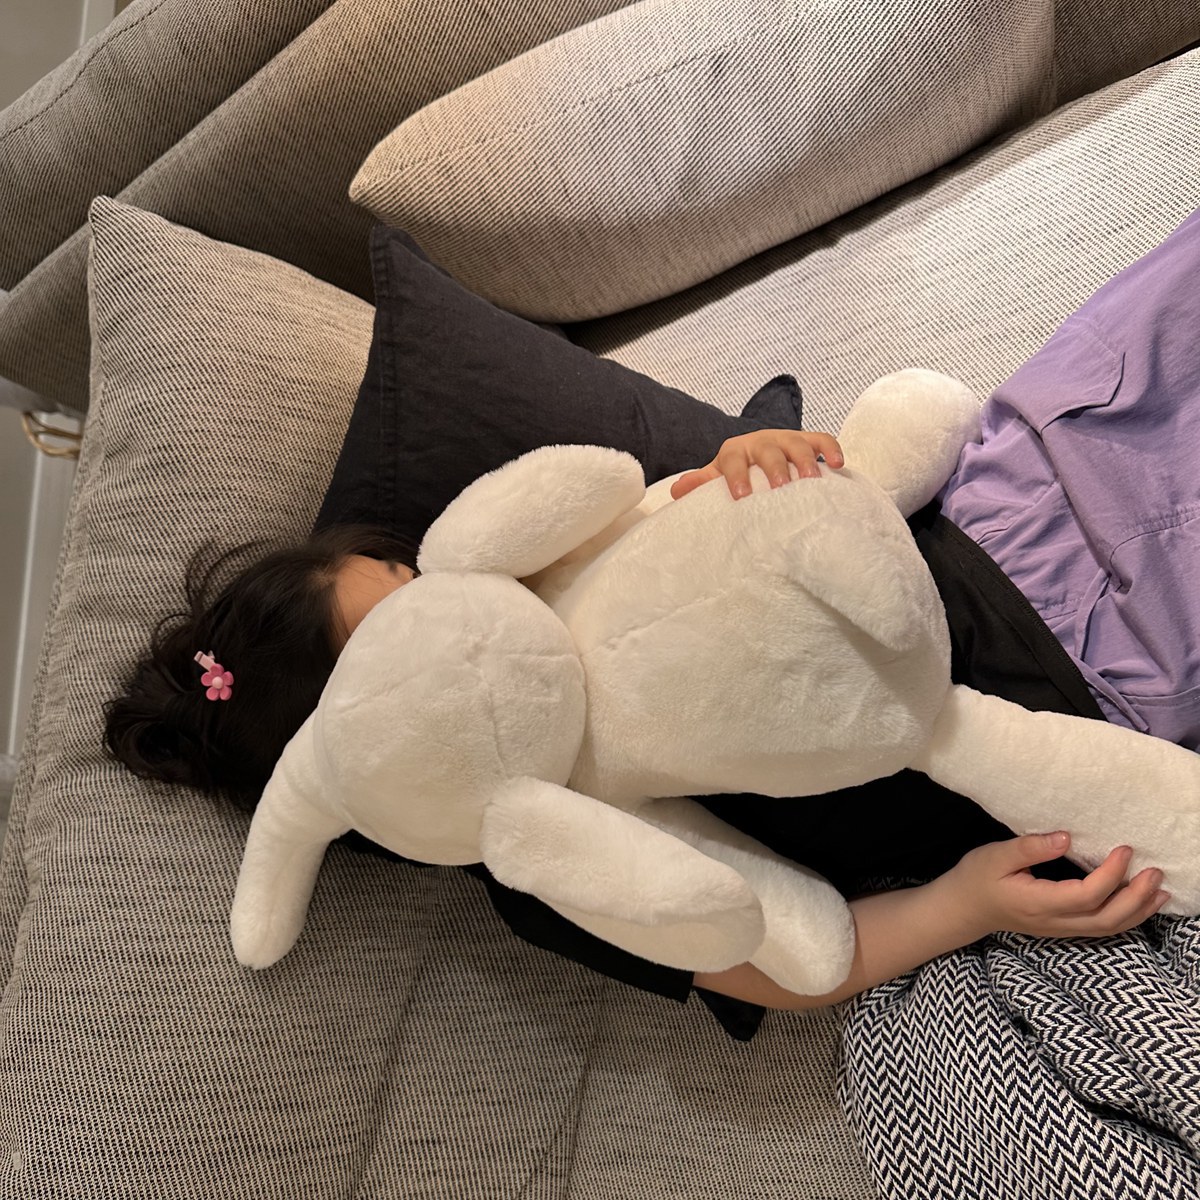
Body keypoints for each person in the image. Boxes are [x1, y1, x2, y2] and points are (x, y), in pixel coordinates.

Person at [105, 206, 1198, 1020]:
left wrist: (751, 461)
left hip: (1005, 490)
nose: (456, 631)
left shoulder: (542, 565)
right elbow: (783, 962)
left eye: (408, 586)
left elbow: (681, 502)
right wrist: (966, 905)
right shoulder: (544, 859)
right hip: (1086, 690)